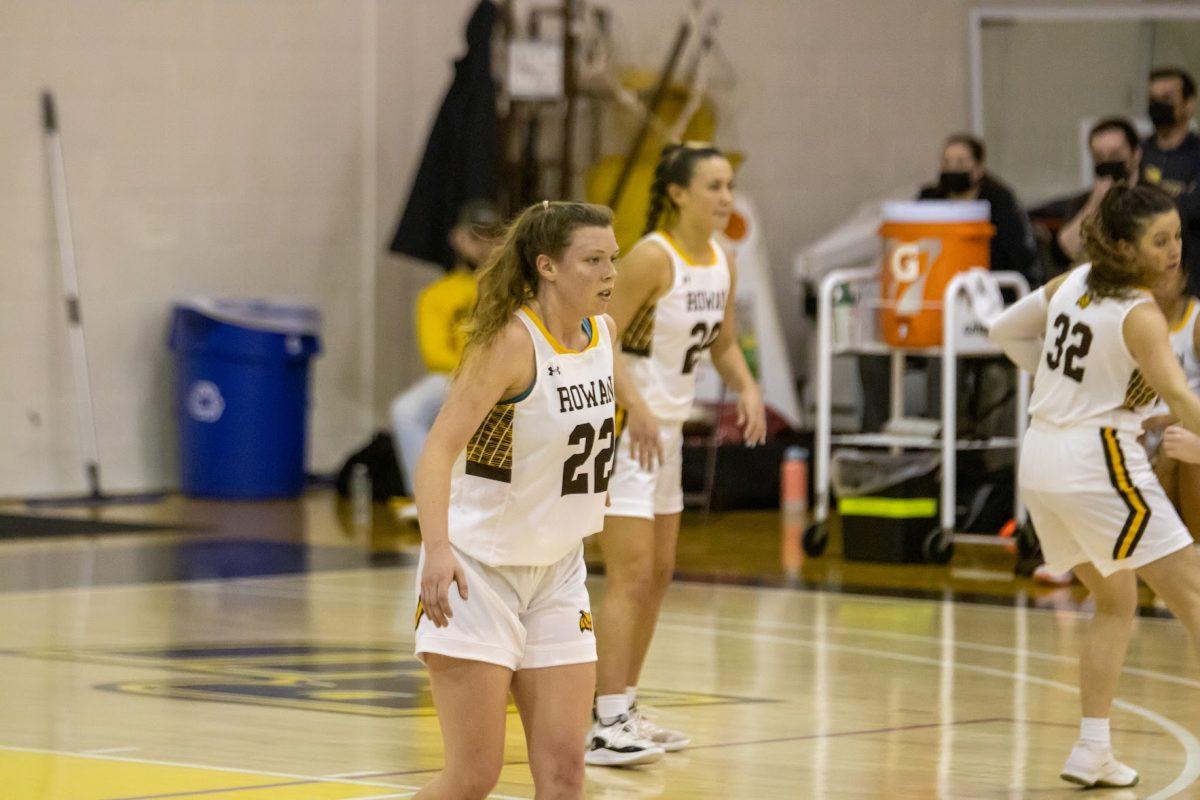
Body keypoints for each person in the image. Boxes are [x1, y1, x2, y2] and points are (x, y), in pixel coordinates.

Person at [988, 184, 1200, 789]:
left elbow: (1005, 331)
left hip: (1043, 458)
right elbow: (1183, 398)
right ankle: (1091, 747)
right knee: (1194, 596)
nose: (1174, 251)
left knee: (1115, 601)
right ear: (1125, 248)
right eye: (1159, 241)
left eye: (1178, 236)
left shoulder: (1072, 283)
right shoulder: (1141, 314)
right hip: (1095, 461)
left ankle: (1092, 749)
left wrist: (1067, 388)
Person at [411, 201, 621, 799]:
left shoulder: (602, 333)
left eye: (613, 259)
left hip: (558, 572)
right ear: (548, 266)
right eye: (593, 260)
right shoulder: (509, 341)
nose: (609, 273)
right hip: (478, 572)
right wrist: (436, 549)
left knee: (565, 773)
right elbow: (437, 451)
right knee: (473, 776)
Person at [586, 142, 767, 767]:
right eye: (714, 186)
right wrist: (632, 403)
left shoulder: (721, 261)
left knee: (659, 575)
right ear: (679, 193)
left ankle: (624, 704)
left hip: (666, 433)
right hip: (622, 426)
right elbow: (596, 333)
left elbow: (722, 345)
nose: (726, 197)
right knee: (630, 574)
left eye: (729, 185)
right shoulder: (649, 257)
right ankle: (604, 721)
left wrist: (746, 385)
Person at [391, 201, 501, 510]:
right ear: (458, 238)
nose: (485, 245)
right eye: (477, 236)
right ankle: (425, 496)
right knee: (406, 409)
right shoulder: (437, 295)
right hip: (460, 375)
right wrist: (475, 372)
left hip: (511, 374)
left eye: (492, 236)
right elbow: (434, 354)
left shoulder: (509, 288)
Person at [918, 133, 1039, 286]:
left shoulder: (999, 201)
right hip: (940, 282)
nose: (952, 168)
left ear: (978, 168)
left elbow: (1018, 254)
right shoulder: (929, 199)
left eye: (961, 163)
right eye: (946, 162)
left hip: (992, 284)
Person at [1036, 117, 1142, 274]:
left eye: (1115, 154)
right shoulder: (1084, 202)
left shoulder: (1156, 198)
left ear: (1136, 154)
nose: (1107, 162)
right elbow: (1066, 252)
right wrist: (1096, 202)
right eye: (1099, 157)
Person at [1143, 67, 1200, 285]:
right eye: (1153, 98)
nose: (1158, 105)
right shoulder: (1139, 151)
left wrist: (1149, 194)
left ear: (1188, 103)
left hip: (1190, 273)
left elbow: (1193, 208)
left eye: (1167, 98)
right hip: (1145, 271)